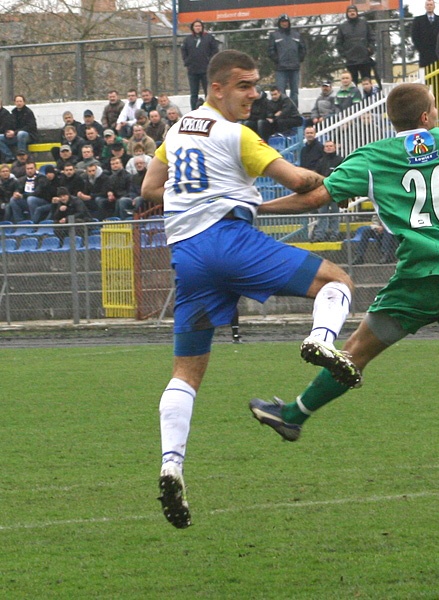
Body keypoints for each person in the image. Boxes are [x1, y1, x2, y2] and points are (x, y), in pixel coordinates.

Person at [247, 82, 439, 529]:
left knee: (355, 353)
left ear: (391, 120)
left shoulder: (373, 158)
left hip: (421, 281)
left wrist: (258, 207)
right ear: (427, 116)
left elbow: (317, 197)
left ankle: (295, 415)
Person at [141, 50, 359, 529]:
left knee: (186, 371)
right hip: (228, 239)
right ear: (216, 88)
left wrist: (192, 191)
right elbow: (302, 180)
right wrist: (324, 180)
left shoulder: (176, 132)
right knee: (337, 281)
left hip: (188, 256)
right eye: (244, 85)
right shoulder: (237, 135)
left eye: (256, 85)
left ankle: (171, 464)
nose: (254, 94)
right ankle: (321, 341)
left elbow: (150, 188)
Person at [181, 19, 220, 110]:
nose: (197, 28)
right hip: (192, 70)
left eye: (199, 26)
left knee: (208, 91)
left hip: (206, 70)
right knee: (194, 93)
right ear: (192, 28)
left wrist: (210, 62)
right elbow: (183, 51)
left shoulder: (209, 38)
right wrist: (187, 62)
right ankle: (193, 111)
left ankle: (209, 109)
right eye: (196, 26)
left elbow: (215, 51)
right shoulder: (188, 39)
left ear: (202, 27)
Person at [267, 14, 306, 104]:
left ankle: (294, 112)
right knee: (281, 92)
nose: (284, 24)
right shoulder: (274, 35)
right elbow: (270, 51)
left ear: (289, 23)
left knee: (295, 92)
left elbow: (302, 49)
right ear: (279, 23)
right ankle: (283, 112)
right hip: (281, 69)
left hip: (294, 68)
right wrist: (277, 60)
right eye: (282, 22)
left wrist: (299, 59)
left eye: (286, 22)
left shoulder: (297, 34)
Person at [337, 5, 378, 86]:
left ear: (356, 12)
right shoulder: (343, 26)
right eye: (350, 11)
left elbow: (372, 38)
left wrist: (370, 49)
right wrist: (344, 54)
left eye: (353, 11)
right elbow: (338, 43)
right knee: (352, 84)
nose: (352, 13)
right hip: (351, 61)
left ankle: (368, 97)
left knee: (367, 82)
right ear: (347, 13)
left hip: (364, 59)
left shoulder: (364, 24)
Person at [411, 0, 439, 69]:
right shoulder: (418, 20)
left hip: (438, 54)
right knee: (426, 75)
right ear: (425, 6)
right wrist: (421, 50)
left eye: (431, 5)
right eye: (427, 5)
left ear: (434, 6)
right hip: (424, 54)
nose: (429, 6)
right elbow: (415, 36)